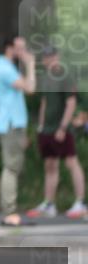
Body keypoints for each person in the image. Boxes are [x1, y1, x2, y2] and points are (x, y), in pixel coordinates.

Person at [26, 47, 86, 219]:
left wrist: (63, 127)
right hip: (47, 130)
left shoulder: (64, 76)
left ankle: (80, 202)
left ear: (57, 56)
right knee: (50, 165)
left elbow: (71, 103)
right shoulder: (45, 78)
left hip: (62, 129)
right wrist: (41, 125)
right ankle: (49, 203)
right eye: (45, 56)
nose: (48, 59)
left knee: (71, 162)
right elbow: (45, 102)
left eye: (51, 56)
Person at [0, 36, 36, 226]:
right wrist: (31, 64)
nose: (23, 52)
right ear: (9, 48)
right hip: (10, 125)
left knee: (13, 167)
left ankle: (10, 211)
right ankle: (9, 212)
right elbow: (30, 88)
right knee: (11, 167)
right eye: (20, 48)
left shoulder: (7, 68)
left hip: (13, 124)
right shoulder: (4, 69)